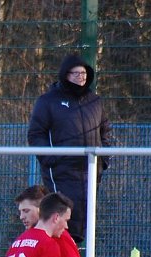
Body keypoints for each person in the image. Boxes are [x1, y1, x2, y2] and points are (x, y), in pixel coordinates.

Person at [27, 53, 111, 245]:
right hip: (61, 172)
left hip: (89, 171)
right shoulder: (48, 101)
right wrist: (50, 159)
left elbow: (105, 131)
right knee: (61, 219)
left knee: (84, 222)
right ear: (65, 75)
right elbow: (36, 134)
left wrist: (103, 160)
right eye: (75, 73)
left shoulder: (94, 101)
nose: (80, 77)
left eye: (83, 73)